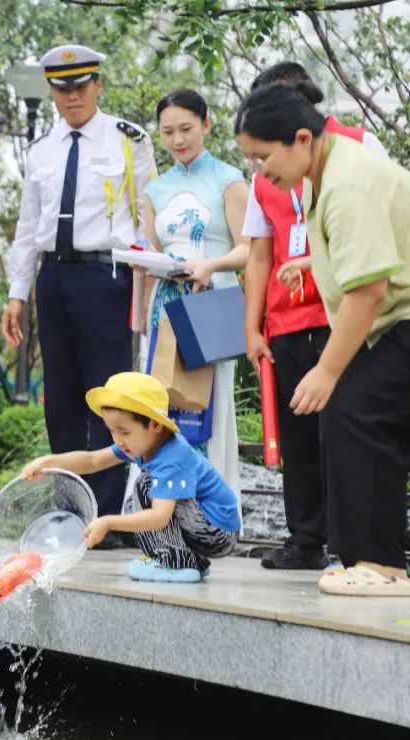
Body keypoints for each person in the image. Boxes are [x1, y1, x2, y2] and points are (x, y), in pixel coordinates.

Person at [234, 85, 410, 596]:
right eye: (250, 160)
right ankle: (366, 560)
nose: (259, 171)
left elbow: (368, 290)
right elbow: (358, 252)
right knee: (366, 413)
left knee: (356, 407)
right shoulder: (318, 175)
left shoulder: (347, 183)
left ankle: (381, 565)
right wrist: (311, 262)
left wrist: (325, 370)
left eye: (263, 156)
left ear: (302, 139)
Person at [2, 45, 156, 547]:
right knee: (62, 398)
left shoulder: (128, 140)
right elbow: (28, 228)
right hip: (55, 276)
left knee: (111, 396)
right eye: (61, 88)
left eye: (81, 86)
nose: (72, 97)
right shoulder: (42, 149)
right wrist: (17, 293)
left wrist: (150, 285)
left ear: (98, 85)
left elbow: (147, 216)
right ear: (51, 91)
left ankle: (108, 514)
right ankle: (70, 511)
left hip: (105, 276)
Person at [240, 63, 388, 571]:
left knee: (346, 427)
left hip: (343, 311)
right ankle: (305, 538)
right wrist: (252, 326)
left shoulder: (359, 146)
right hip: (286, 320)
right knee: (299, 438)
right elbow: (260, 254)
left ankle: (359, 545)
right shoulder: (262, 174)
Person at [20, 372, 240, 582]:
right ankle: (189, 562)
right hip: (202, 526)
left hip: (217, 532)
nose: (118, 440)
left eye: (124, 432)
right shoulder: (144, 445)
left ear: (155, 424)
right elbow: (93, 460)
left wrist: (108, 522)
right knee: (137, 498)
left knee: (146, 486)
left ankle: (176, 563)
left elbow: (160, 517)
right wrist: (46, 463)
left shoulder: (172, 457)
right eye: (112, 431)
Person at [139, 89, 248, 507]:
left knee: (207, 410)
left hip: (210, 308)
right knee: (160, 405)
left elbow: (248, 249)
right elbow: (152, 250)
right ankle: (162, 509)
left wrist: (209, 266)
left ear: (206, 124)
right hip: (165, 308)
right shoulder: (157, 189)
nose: (177, 140)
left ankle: (211, 509)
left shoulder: (229, 179)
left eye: (186, 129)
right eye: (167, 132)